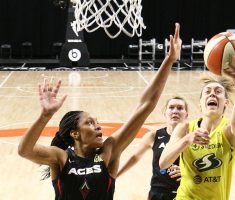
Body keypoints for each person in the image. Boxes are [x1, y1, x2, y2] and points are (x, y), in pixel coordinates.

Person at [18, 23, 182, 200]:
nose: (98, 127)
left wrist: (169, 60)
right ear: (75, 133)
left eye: (96, 122)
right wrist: (44, 116)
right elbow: (24, 151)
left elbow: (146, 105)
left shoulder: (108, 151)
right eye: (89, 123)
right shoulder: (61, 157)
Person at [159, 55, 235, 200]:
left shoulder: (228, 132)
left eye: (218, 92)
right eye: (207, 91)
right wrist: (188, 139)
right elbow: (163, 163)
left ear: (226, 103)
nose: (212, 94)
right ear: (200, 103)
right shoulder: (185, 128)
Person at [117, 96, 188, 200]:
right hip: (158, 192)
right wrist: (115, 176)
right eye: (171, 107)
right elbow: (134, 158)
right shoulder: (154, 135)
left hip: (184, 191)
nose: (175, 111)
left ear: (186, 114)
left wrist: (187, 172)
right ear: (165, 113)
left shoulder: (191, 137)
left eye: (180, 108)